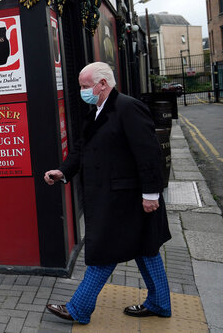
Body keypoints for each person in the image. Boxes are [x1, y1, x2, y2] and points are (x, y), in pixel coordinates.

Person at [43, 61, 171, 324]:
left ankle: (78, 309)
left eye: (85, 86)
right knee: (146, 249)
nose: (82, 91)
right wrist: (63, 172)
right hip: (113, 199)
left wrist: (151, 195)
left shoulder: (128, 107)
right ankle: (160, 302)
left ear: (103, 84)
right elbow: (80, 150)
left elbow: (149, 154)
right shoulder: (97, 113)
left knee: (105, 251)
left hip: (127, 200)